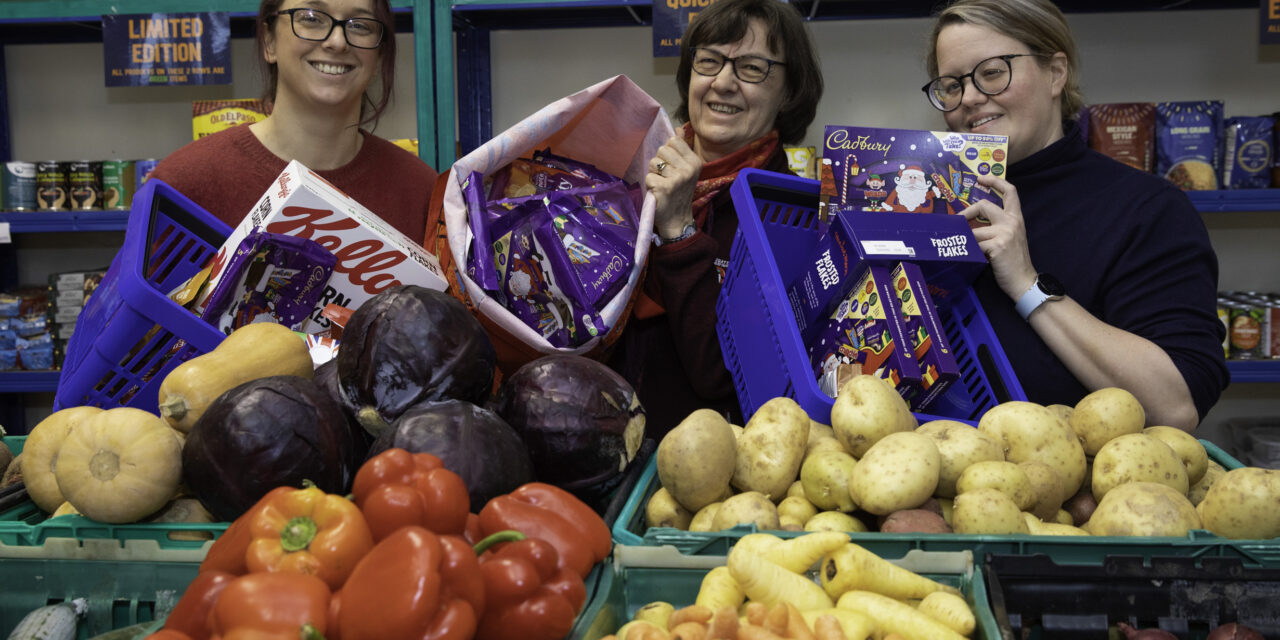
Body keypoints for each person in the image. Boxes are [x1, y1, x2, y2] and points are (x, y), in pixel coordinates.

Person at [923, 0, 1227, 431]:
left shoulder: (1147, 209)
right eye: (951, 85)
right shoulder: (930, 199)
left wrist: (1027, 284)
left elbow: (1177, 405)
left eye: (992, 72)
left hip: (1080, 490)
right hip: (924, 480)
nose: (969, 98)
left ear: (1056, 73)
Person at [607, 0, 824, 436]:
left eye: (751, 68)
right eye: (709, 61)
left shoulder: (793, 218)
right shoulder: (637, 169)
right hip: (605, 451)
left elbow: (722, 376)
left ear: (789, 91)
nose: (722, 82)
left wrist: (678, 233)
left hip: (704, 472)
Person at [149, 0, 436, 241]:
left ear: (379, 57)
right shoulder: (181, 186)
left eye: (360, 25)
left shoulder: (425, 194)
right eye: (311, 18)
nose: (336, 42)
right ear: (269, 41)